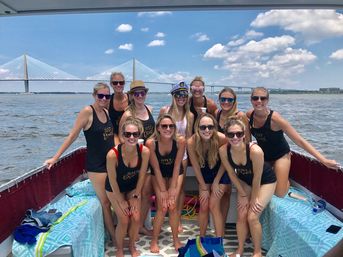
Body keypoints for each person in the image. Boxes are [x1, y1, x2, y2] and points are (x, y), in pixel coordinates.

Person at [44, 83, 116, 243]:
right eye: (101, 96)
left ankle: (114, 231)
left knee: (114, 198)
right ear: (94, 95)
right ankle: (114, 238)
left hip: (111, 163)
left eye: (107, 96)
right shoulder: (87, 112)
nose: (104, 99)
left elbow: (110, 137)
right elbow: (72, 135)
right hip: (96, 165)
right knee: (105, 202)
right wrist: (55, 157)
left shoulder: (106, 111)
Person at [246, 87, 339, 197]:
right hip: (264, 156)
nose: (259, 101)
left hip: (280, 155)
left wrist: (324, 160)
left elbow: (299, 140)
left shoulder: (276, 119)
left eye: (263, 98)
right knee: (254, 183)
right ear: (251, 99)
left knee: (279, 193)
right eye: (255, 98)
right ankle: (275, 174)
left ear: (268, 100)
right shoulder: (249, 115)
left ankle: (286, 184)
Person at [219, 117, 277, 257]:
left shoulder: (254, 151)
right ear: (226, 135)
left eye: (238, 134)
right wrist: (243, 195)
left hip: (265, 181)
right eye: (231, 134)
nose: (235, 137)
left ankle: (257, 252)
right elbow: (232, 175)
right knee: (241, 215)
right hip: (244, 182)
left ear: (244, 134)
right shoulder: (223, 151)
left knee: (252, 216)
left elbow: (257, 177)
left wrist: (253, 199)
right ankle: (239, 249)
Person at [105, 117, 150, 257]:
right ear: (122, 135)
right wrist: (121, 200)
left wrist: (137, 195)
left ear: (140, 135)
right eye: (127, 134)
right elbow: (112, 180)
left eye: (135, 134)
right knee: (124, 219)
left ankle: (131, 246)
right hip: (114, 189)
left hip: (132, 188)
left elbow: (142, 176)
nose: (131, 137)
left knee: (136, 218)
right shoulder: (113, 154)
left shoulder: (144, 151)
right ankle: (119, 248)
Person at [118, 80, 155, 236]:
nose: (140, 96)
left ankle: (139, 225)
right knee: (135, 193)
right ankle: (131, 227)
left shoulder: (150, 109)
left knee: (146, 192)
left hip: (149, 156)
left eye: (143, 93)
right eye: (136, 93)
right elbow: (121, 136)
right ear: (131, 96)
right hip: (135, 158)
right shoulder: (128, 114)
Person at [146, 114, 185, 253]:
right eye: (164, 126)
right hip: (159, 175)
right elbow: (155, 168)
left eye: (171, 126)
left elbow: (177, 166)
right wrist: (163, 191)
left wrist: (173, 189)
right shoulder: (151, 143)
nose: (168, 129)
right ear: (158, 128)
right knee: (163, 206)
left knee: (172, 205)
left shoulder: (180, 141)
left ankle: (176, 239)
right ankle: (154, 240)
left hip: (176, 173)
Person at [187, 113, 230, 237]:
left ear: (214, 127)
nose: (207, 130)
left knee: (213, 205)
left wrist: (216, 181)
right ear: (197, 128)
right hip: (204, 173)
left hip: (221, 173)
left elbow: (225, 163)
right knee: (204, 205)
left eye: (210, 127)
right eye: (203, 127)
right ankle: (202, 237)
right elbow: (195, 166)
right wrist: (204, 187)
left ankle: (219, 241)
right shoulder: (191, 142)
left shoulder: (222, 138)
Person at [159, 81, 194, 232]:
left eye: (184, 94)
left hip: (183, 155)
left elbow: (189, 137)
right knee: (166, 187)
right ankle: (164, 216)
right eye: (178, 94)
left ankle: (177, 218)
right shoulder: (165, 110)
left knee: (179, 188)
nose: (181, 97)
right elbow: (158, 131)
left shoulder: (189, 115)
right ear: (173, 96)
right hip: (166, 154)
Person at [214, 87, 251, 226]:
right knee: (223, 192)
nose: (226, 102)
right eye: (223, 99)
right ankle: (220, 228)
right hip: (220, 158)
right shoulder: (217, 113)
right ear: (219, 100)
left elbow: (247, 140)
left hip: (235, 160)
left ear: (234, 101)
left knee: (227, 192)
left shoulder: (239, 116)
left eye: (230, 99)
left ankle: (238, 228)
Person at [108, 72, 130, 145]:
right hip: (115, 134)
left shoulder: (131, 99)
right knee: (118, 149)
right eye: (115, 83)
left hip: (131, 133)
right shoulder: (108, 102)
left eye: (121, 82)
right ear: (111, 84)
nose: (118, 85)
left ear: (124, 84)